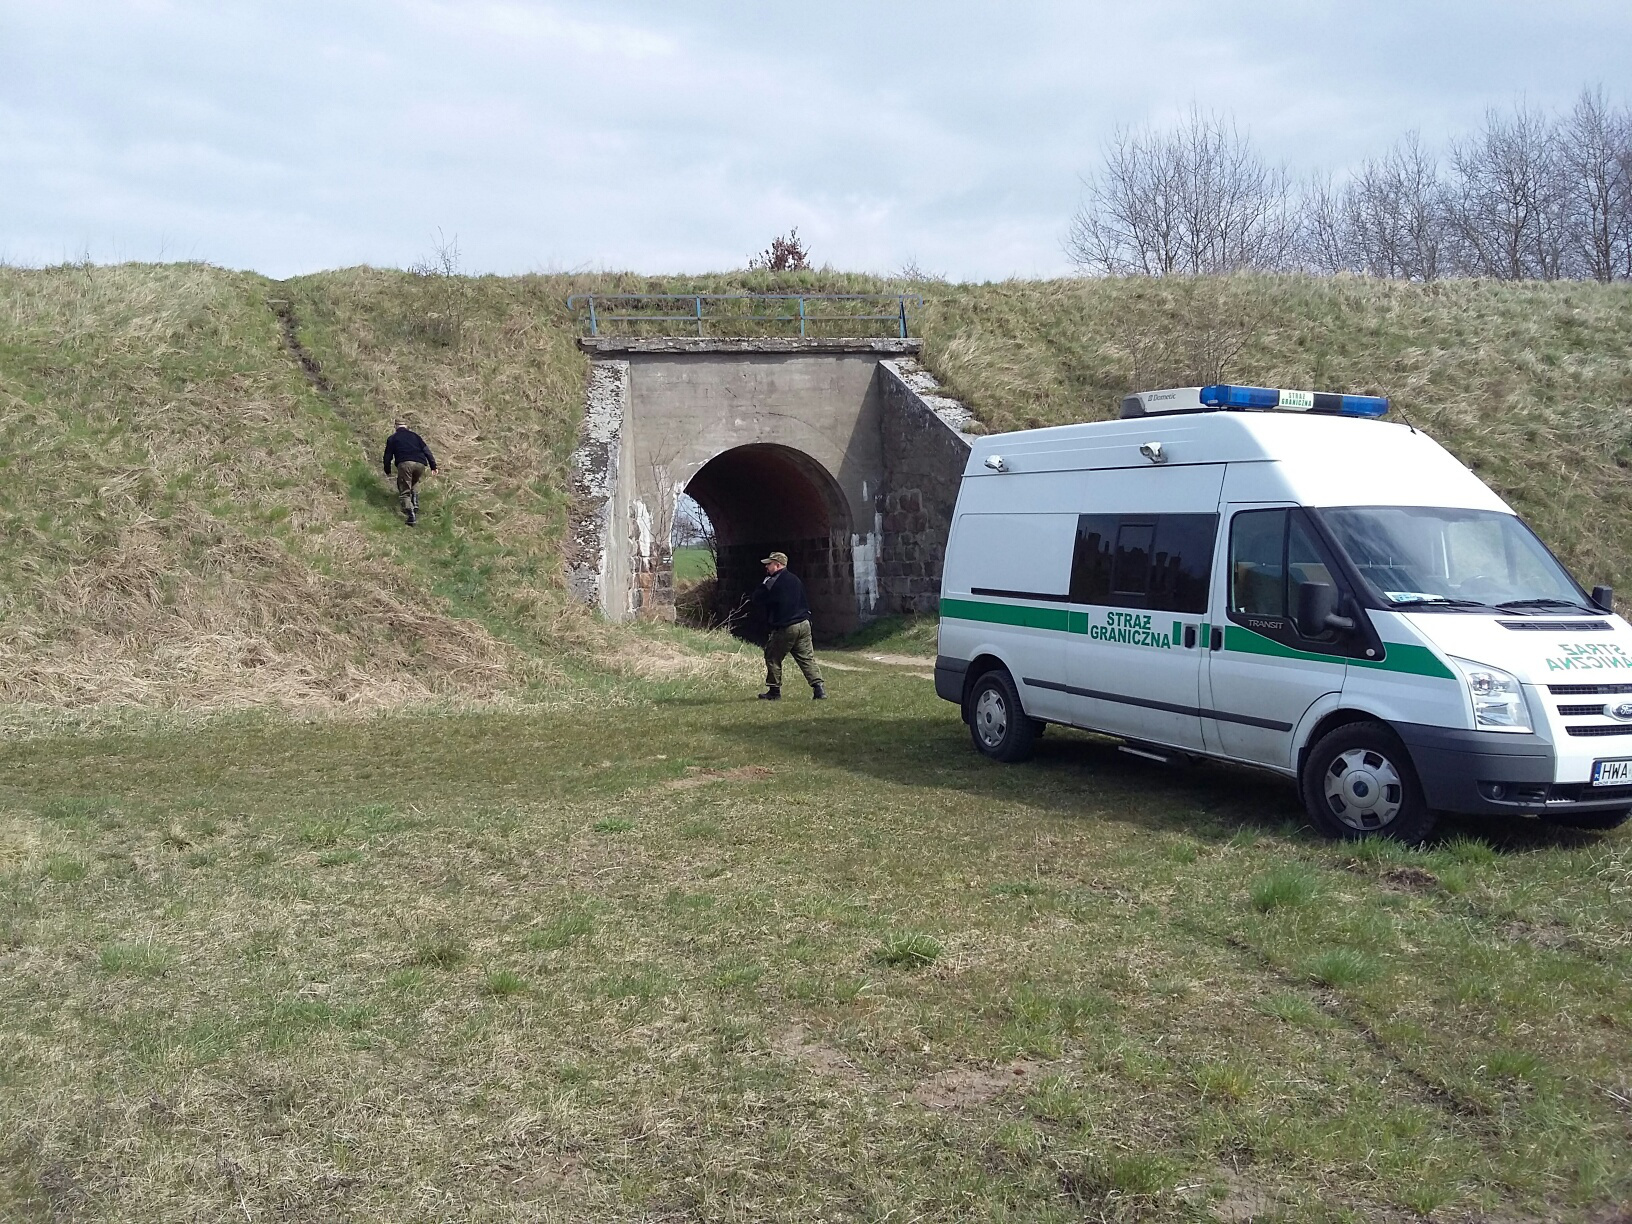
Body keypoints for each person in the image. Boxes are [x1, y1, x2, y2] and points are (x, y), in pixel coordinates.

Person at [749, 551, 826, 701]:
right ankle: (819, 688)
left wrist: (763, 584)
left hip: (787, 626)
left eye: (769, 564)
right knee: (806, 657)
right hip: (804, 624)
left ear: (778, 565)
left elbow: (756, 599)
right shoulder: (795, 579)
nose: (766, 567)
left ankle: (774, 691)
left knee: (772, 655)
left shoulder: (772, 581)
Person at [382, 419, 438, 525]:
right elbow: (427, 451)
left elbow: (387, 456)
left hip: (405, 463)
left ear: (395, 427)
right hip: (420, 464)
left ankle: (411, 515)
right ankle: (415, 502)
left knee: (404, 490)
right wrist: (433, 466)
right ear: (406, 426)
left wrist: (387, 470)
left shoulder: (393, 438)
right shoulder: (415, 436)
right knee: (414, 481)